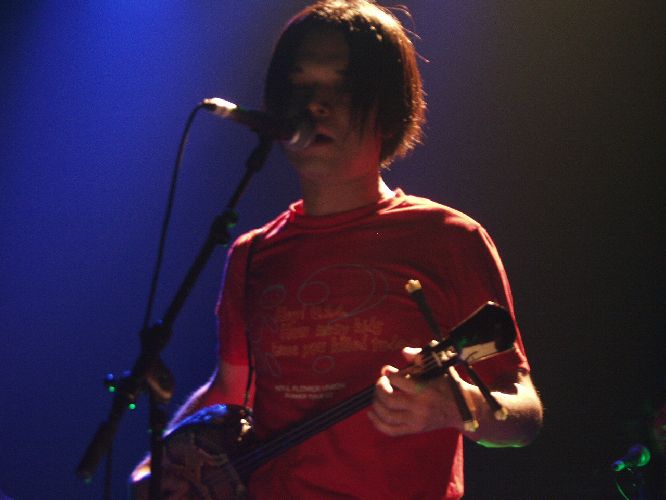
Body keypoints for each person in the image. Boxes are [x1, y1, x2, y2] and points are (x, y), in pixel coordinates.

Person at [132, 0, 543, 498]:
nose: (315, 105)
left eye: (340, 87)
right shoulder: (252, 254)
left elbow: (523, 413)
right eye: (300, 86)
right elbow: (230, 389)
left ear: (387, 110)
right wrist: (159, 461)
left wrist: (459, 407)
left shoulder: (449, 239)